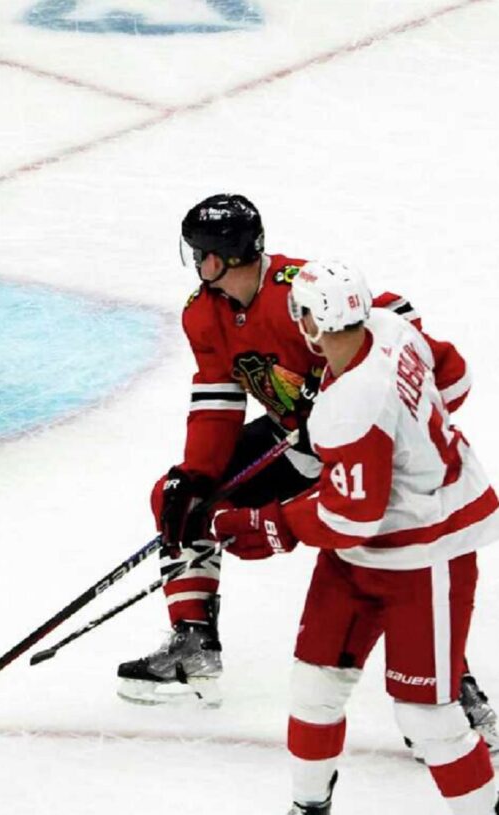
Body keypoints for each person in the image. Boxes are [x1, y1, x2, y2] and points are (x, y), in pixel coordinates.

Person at [113, 194, 497, 753]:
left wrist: (352, 386)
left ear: (220, 257)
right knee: (180, 499)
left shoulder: (301, 290)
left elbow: (396, 323)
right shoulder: (204, 312)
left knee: (393, 561)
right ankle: (194, 644)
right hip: (294, 443)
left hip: (363, 448)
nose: (195, 262)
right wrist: (196, 475)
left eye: (200, 253)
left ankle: (454, 693)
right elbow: (218, 397)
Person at [209, 260, 498, 815]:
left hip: (424, 553)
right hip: (367, 549)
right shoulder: (391, 326)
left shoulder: (350, 408)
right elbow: (455, 378)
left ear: (313, 323)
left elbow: (351, 516)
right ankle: (308, 807)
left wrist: (268, 524)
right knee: (314, 688)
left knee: (426, 716)